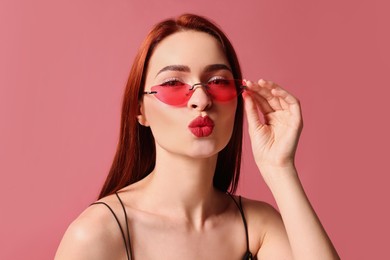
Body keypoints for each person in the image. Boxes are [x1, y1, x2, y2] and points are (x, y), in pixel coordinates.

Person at [55, 14, 339, 260]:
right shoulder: (98, 233)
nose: (201, 99)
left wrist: (281, 169)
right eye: (173, 83)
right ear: (139, 110)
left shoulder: (256, 226)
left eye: (218, 82)